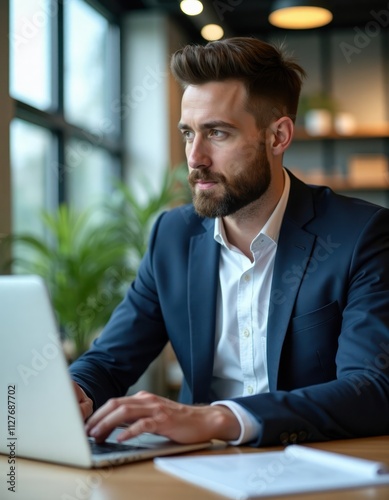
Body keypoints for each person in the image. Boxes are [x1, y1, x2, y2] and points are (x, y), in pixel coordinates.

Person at [70, 37, 389, 447]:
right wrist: (75, 391)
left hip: (313, 464)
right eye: (188, 134)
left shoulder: (361, 234)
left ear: (277, 137)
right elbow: (109, 360)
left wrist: (222, 418)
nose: (195, 157)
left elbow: (372, 388)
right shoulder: (172, 236)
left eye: (217, 133)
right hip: (194, 468)